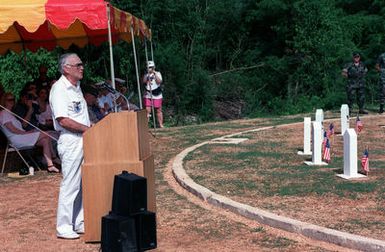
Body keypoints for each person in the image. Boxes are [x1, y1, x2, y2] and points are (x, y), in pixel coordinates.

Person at [49, 53, 91, 239]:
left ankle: (79, 221)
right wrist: (88, 129)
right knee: (70, 185)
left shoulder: (77, 87)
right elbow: (63, 120)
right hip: (71, 140)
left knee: (82, 184)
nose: (82, 67)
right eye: (78, 65)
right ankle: (64, 226)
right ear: (66, 68)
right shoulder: (59, 89)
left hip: (84, 138)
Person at [0, 92, 60, 173]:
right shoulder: (4, 113)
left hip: (20, 136)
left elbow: (21, 126)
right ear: (4, 101)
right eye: (9, 100)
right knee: (45, 134)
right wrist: (26, 133)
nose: (12, 101)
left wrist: (28, 132)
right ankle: (54, 157)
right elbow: (12, 130)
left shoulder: (10, 113)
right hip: (16, 138)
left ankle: (50, 165)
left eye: (13, 99)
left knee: (45, 140)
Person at [142, 60, 164, 127]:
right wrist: (147, 75)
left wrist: (154, 74)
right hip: (148, 94)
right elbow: (144, 81)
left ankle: (160, 124)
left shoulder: (158, 73)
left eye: (151, 67)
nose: (149, 68)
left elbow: (159, 81)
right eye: (148, 67)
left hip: (156, 94)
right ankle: (147, 125)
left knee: (158, 110)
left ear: (153, 67)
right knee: (147, 110)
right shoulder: (146, 74)